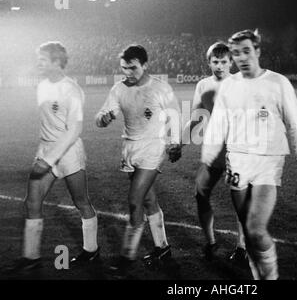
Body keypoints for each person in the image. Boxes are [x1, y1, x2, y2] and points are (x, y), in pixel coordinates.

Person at [202, 29, 297, 280]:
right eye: (236, 53)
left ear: (258, 51)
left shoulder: (278, 83)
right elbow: (218, 124)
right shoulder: (229, 86)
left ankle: (270, 277)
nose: (241, 57)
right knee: (248, 232)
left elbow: (295, 126)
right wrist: (208, 157)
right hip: (237, 161)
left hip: (268, 162)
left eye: (246, 51)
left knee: (255, 228)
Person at [10, 41, 99, 273]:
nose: (38, 63)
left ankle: (92, 250)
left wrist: (49, 161)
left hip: (69, 151)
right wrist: (45, 155)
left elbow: (74, 130)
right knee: (32, 201)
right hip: (46, 149)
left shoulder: (72, 89)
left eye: (42, 60)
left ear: (56, 62)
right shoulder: (41, 86)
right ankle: (31, 258)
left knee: (81, 202)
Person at [95, 45, 182, 277]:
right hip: (129, 149)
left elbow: (174, 115)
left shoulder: (160, 88)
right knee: (149, 200)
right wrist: (103, 119)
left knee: (134, 201)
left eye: (132, 67)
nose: (128, 72)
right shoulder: (118, 89)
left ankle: (126, 257)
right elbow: (102, 116)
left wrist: (175, 142)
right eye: (124, 68)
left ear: (145, 65)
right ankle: (162, 248)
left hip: (153, 147)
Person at [188, 42, 247, 262]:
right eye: (215, 62)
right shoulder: (203, 85)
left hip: (237, 152)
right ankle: (211, 242)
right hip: (212, 151)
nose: (220, 66)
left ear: (231, 62)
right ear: (209, 62)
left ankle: (241, 247)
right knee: (200, 194)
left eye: (224, 62)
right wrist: (180, 144)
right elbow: (196, 118)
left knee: (239, 202)